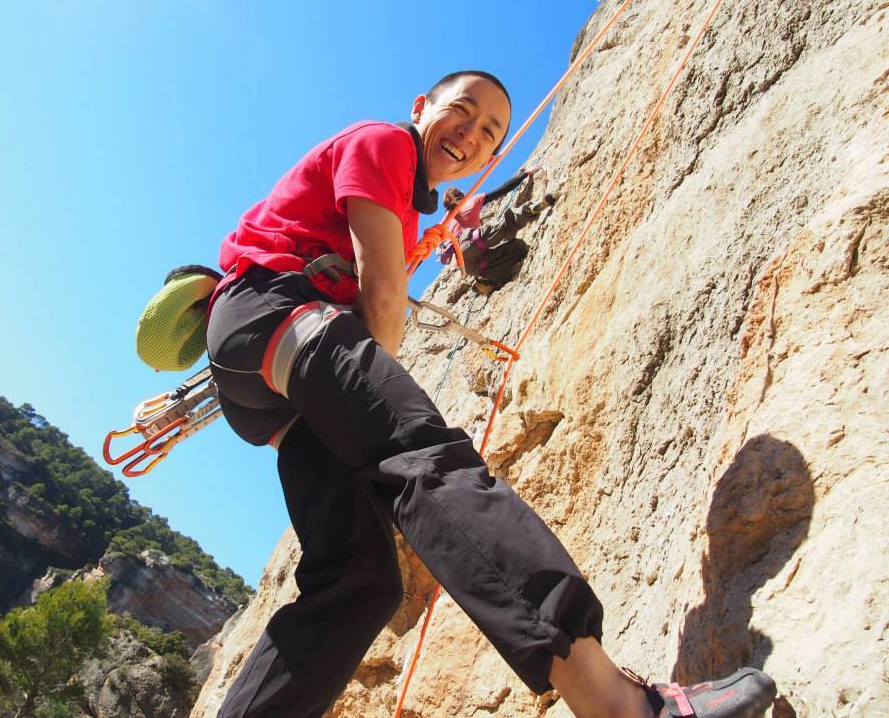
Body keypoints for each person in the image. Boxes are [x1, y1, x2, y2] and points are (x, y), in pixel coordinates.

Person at [205, 71, 776, 718]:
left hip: (264, 371)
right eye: (462, 110)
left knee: (359, 578)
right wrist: (375, 399)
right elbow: (383, 294)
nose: (470, 134)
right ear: (421, 107)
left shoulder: (408, 201)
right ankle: (621, 706)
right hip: (275, 312)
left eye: (490, 132)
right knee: (426, 457)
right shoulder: (384, 142)